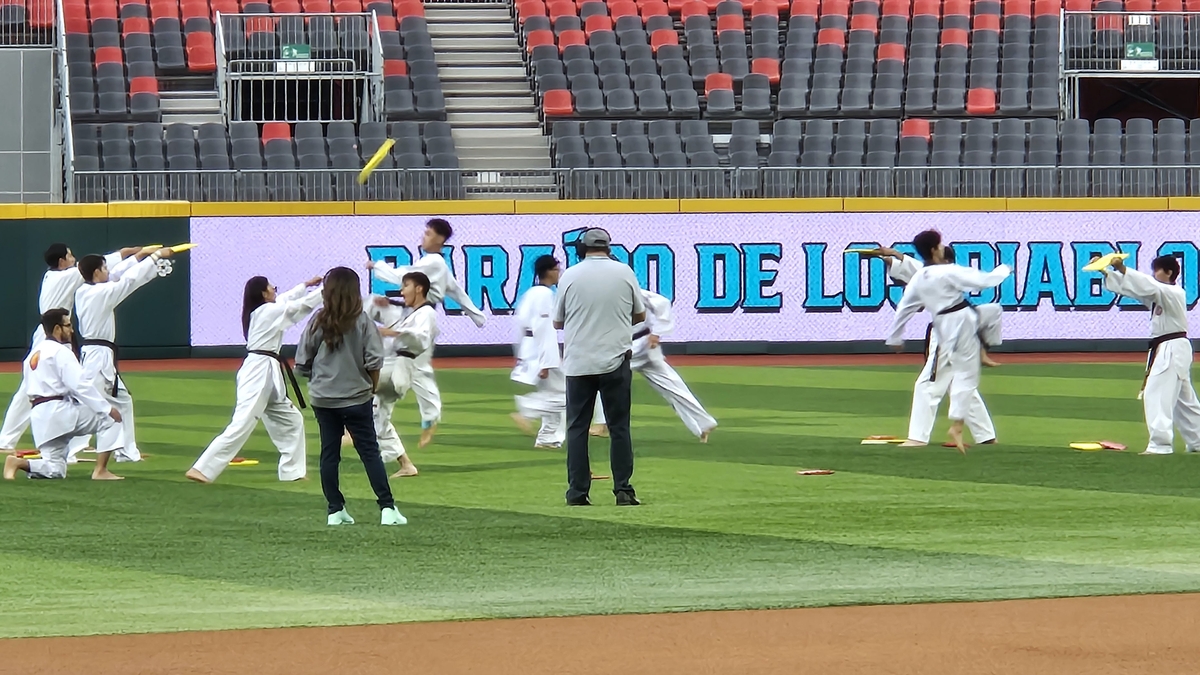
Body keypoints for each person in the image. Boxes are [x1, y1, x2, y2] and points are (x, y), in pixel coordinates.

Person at [0, 243, 140, 454]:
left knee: (54, 386)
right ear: (61, 261)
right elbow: (96, 265)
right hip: (53, 333)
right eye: (70, 255)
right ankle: (13, 439)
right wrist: (130, 254)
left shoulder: (54, 276)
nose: (74, 258)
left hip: (56, 331)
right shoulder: (66, 276)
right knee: (37, 387)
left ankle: (73, 440)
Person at [186, 275, 325, 484]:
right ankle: (202, 469)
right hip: (258, 371)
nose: (275, 291)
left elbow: (286, 300)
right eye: (272, 287)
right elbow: (299, 307)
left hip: (268, 369)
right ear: (263, 293)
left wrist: (305, 285)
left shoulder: (265, 310)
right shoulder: (267, 312)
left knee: (292, 420)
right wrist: (325, 292)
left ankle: (292, 472)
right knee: (242, 422)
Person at [295, 266, 406, 526]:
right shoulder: (363, 320)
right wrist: (371, 387)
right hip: (357, 397)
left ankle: (335, 509)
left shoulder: (318, 320)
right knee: (370, 452)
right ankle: (387, 508)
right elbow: (374, 361)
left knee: (329, 453)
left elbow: (302, 361)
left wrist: (319, 378)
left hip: (323, 398)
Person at [885, 230, 1010, 454]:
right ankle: (986, 435)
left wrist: (895, 336)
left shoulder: (924, 276)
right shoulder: (940, 272)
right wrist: (1004, 269)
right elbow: (984, 281)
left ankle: (917, 437)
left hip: (949, 329)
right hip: (961, 325)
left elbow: (905, 306)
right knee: (959, 383)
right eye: (940, 245)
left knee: (929, 384)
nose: (943, 247)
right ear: (934, 250)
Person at [368, 218, 487, 448]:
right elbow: (456, 290)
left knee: (415, 369)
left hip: (421, 317)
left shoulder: (434, 262)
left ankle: (426, 419)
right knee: (403, 369)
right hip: (410, 313)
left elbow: (404, 277)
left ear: (440, 239)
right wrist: (476, 316)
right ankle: (388, 423)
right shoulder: (436, 264)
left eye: (429, 233)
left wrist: (377, 267)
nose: (424, 237)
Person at [554, 228, 646, 507]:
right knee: (619, 427)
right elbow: (639, 315)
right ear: (608, 246)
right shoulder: (624, 272)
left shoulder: (570, 275)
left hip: (579, 361)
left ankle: (577, 492)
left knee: (577, 428)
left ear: (582, 248)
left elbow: (558, 322)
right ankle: (623, 491)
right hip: (615, 358)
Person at [73, 246, 174, 478]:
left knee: (123, 401)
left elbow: (117, 275)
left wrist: (138, 257)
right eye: (105, 267)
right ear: (97, 273)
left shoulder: (87, 289)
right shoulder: (97, 294)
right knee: (91, 405)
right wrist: (155, 258)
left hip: (101, 355)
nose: (108, 270)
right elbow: (127, 281)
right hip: (96, 357)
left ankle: (127, 451)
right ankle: (68, 449)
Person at [1098, 254, 1200, 455]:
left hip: (1171, 346)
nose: (1154, 274)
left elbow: (1147, 286)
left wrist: (1122, 268)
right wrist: (1104, 271)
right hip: (1171, 347)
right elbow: (1134, 289)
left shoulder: (1173, 292)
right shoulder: (1159, 295)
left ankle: (1160, 445)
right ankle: (1197, 440)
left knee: (1157, 393)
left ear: (1169, 272)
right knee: (1183, 399)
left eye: (1157, 270)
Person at [4, 310, 122, 481]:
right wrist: (106, 408)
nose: (72, 330)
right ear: (57, 328)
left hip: (40, 417)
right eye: (68, 326)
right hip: (61, 411)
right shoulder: (60, 352)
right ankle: (100, 470)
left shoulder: (33, 355)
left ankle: (18, 463)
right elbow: (80, 385)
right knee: (112, 419)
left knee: (56, 469)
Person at [589, 288, 717, 443]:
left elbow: (662, 302)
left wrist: (657, 332)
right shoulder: (625, 288)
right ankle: (703, 422)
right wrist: (656, 333)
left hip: (633, 346)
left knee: (602, 376)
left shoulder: (625, 289)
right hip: (645, 344)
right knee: (671, 384)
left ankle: (601, 424)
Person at [367, 271, 438, 478]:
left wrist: (391, 333)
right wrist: (388, 303)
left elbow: (420, 338)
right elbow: (401, 311)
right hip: (394, 365)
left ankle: (347, 430)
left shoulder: (427, 313)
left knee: (354, 384)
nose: (402, 290)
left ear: (419, 288)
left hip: (399, 367)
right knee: (378, 419)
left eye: (406, 286)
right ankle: (406, 464)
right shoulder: (413, 312)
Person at [511, 255, 566, 449]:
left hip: (530, 347)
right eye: (557, 269)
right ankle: (527, 409)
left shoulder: (531, 293)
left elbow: (520, 325)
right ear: (549, 271)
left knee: (552, 391)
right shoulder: (544, 295)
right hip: (540, 348)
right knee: (568, 394)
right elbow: (544, 329)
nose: (559, 272)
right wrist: (546, 362)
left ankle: (547, 437)